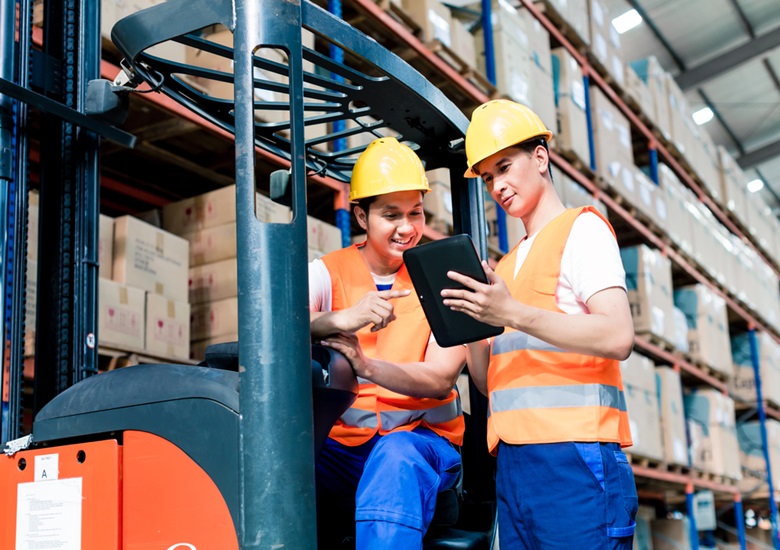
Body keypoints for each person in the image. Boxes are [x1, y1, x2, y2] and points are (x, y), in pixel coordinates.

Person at [441, 99, 637, 549]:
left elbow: (617, 335)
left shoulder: (581, 230)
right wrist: (472, 323)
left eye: (505, 167)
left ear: (541, 157)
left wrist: (511, 313)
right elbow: (490, 385)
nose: (497, 186)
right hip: (513, 465)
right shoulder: (506, 267)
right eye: (488, 177)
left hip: (576, 459)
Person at [309, 136, 467, 549]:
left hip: (423, 446)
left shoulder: (446, 276)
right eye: (391, 214)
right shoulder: (328, 272)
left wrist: (367, 367)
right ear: (361, 216)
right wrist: (338, 319)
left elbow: (438, 378)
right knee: (277, 462)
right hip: (343, 450)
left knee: (395, 457)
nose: (407, 227)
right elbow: (276, 321)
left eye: (415, 212)